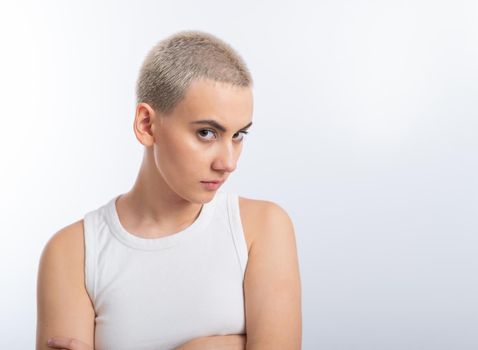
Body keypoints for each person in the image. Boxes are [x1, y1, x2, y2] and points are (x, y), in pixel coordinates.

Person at [36, 31, 302, 349]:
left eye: (238, 135)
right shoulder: (73, 253)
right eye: (206, 132)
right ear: (147, 124)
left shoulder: (261, 229)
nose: (228, 162)